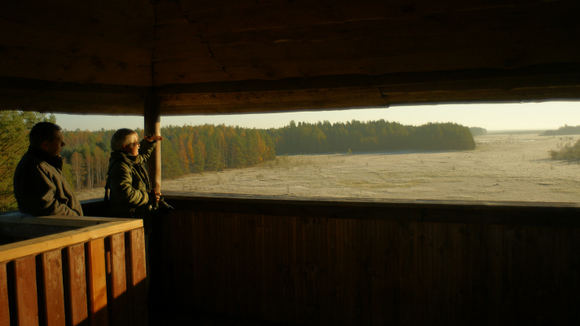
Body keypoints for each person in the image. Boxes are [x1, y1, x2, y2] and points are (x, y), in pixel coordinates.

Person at [13, 122, 83, 216]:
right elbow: (47, 206)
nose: (63, 144)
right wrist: (75, 216)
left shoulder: (46, 164)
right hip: (62, 228)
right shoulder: (35, 167)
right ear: (45, 145)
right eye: (59, 141)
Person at [104, 128, 165, 220]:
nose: (139, 145)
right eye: (136, 143)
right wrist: (148, 197)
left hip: (135, 216)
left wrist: (148, 143)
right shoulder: (121, 167)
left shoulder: (129, 160)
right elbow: (127, 195)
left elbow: (142, 156)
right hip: (129, 219)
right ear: (125, 147)